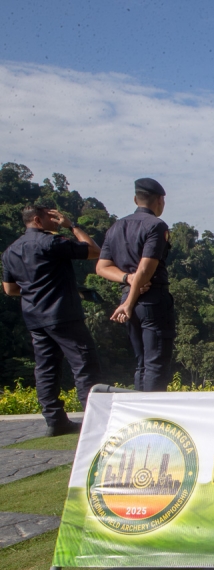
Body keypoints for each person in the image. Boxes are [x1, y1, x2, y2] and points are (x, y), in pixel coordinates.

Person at [2, 205, 101, 435]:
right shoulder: (51, 243)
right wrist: (72, 225)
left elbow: (9, 289)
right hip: (62, 314)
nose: (56, 221)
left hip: (34, 317)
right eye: (51, 217)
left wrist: (33, 291)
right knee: (84, 363)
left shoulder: (10, 251)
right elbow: (93, 250)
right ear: (37, 220)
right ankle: (94, 418)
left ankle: (55, 420)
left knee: (46, 368)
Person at [95, 178, 176, 391]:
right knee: (155, 363)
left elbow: (102, 267)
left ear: (135, 199)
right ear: (160, 200)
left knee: (141, 363)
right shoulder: (156, 226)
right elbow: (145, 269)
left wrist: (126, 279)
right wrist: (131, 297)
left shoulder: (115, 227)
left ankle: (139, 417)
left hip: (128, 300)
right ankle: (153, 418)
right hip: (151, 301)